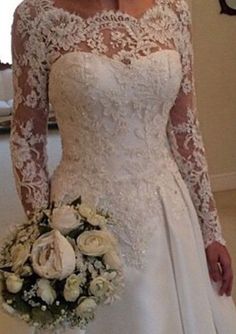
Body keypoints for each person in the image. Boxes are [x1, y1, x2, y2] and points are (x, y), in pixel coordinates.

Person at [9, 0, 236, 333]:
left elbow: (186, 128)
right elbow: (27, 138)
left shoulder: (174, 11)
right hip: (80, 215)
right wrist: (44, 233)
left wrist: (211, 232)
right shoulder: (37, 17)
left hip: (167, 212)